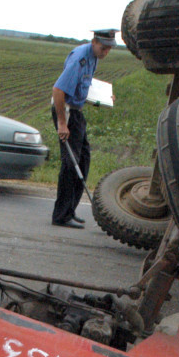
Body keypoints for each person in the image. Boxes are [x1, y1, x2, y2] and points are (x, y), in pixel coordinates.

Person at [50, 29, 115, 229]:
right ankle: (61, 215)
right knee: (71, 165)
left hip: (77, 112)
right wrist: (62, 123)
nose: (105, 52)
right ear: (94, 41)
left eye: (109, 49)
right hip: (67, 111)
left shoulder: (93, 57)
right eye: (103, 48)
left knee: (84, 159)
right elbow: (58, 90)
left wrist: (102, 98)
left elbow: (85, 85)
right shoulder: (80, 58)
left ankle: (70, 210)